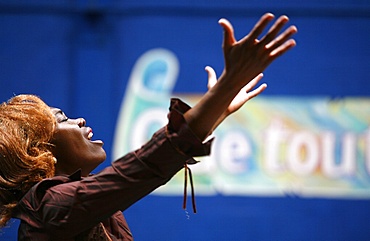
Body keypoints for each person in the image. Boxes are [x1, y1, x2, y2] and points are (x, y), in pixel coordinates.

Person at [0, 13, 297, 240]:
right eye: (62, 120)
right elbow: (142, 167)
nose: (78, 120)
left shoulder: (77, 208)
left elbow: (151, 161)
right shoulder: (49, 207)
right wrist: (226, 86)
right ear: (37, 152)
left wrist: (218, 107)